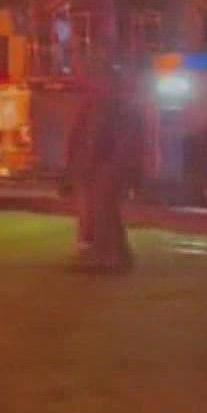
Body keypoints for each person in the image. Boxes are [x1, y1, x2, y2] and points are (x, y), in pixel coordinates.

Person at [65, 65, 142, 273]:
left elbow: (119, 139)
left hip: (107, 164)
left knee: (104, 210)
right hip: (94, 164)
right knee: (97, 211)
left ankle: (111, 255)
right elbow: (80, 135)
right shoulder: (94, 105)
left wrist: (119, 163)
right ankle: (106, 254)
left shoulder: (118, 107)